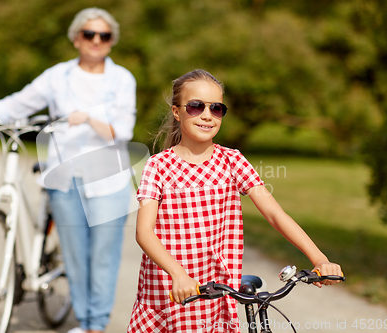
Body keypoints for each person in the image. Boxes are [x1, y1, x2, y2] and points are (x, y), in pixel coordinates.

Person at [0, 7, 136, 333]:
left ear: (111, 41)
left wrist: (89, 118)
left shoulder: (122, 79)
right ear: (76, 38)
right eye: (88, 34)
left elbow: (124, 131)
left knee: (102, 257)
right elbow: (17, 105)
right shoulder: (57, 76)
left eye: (103, 35)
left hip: (108, 180)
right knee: (75, 256)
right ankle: (85, 320)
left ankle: (96, 325)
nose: (96, 41)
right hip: (64, 176)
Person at [126, 69, 342, 333]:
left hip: (216, 297)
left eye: (216, 108)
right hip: (170, 294)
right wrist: (178, 274)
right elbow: (144, 232)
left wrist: (319, 258)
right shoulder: (159, 166)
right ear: (176, 112)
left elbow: (275, 215)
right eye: (195, 106)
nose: (207, 115)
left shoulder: (232, 161)